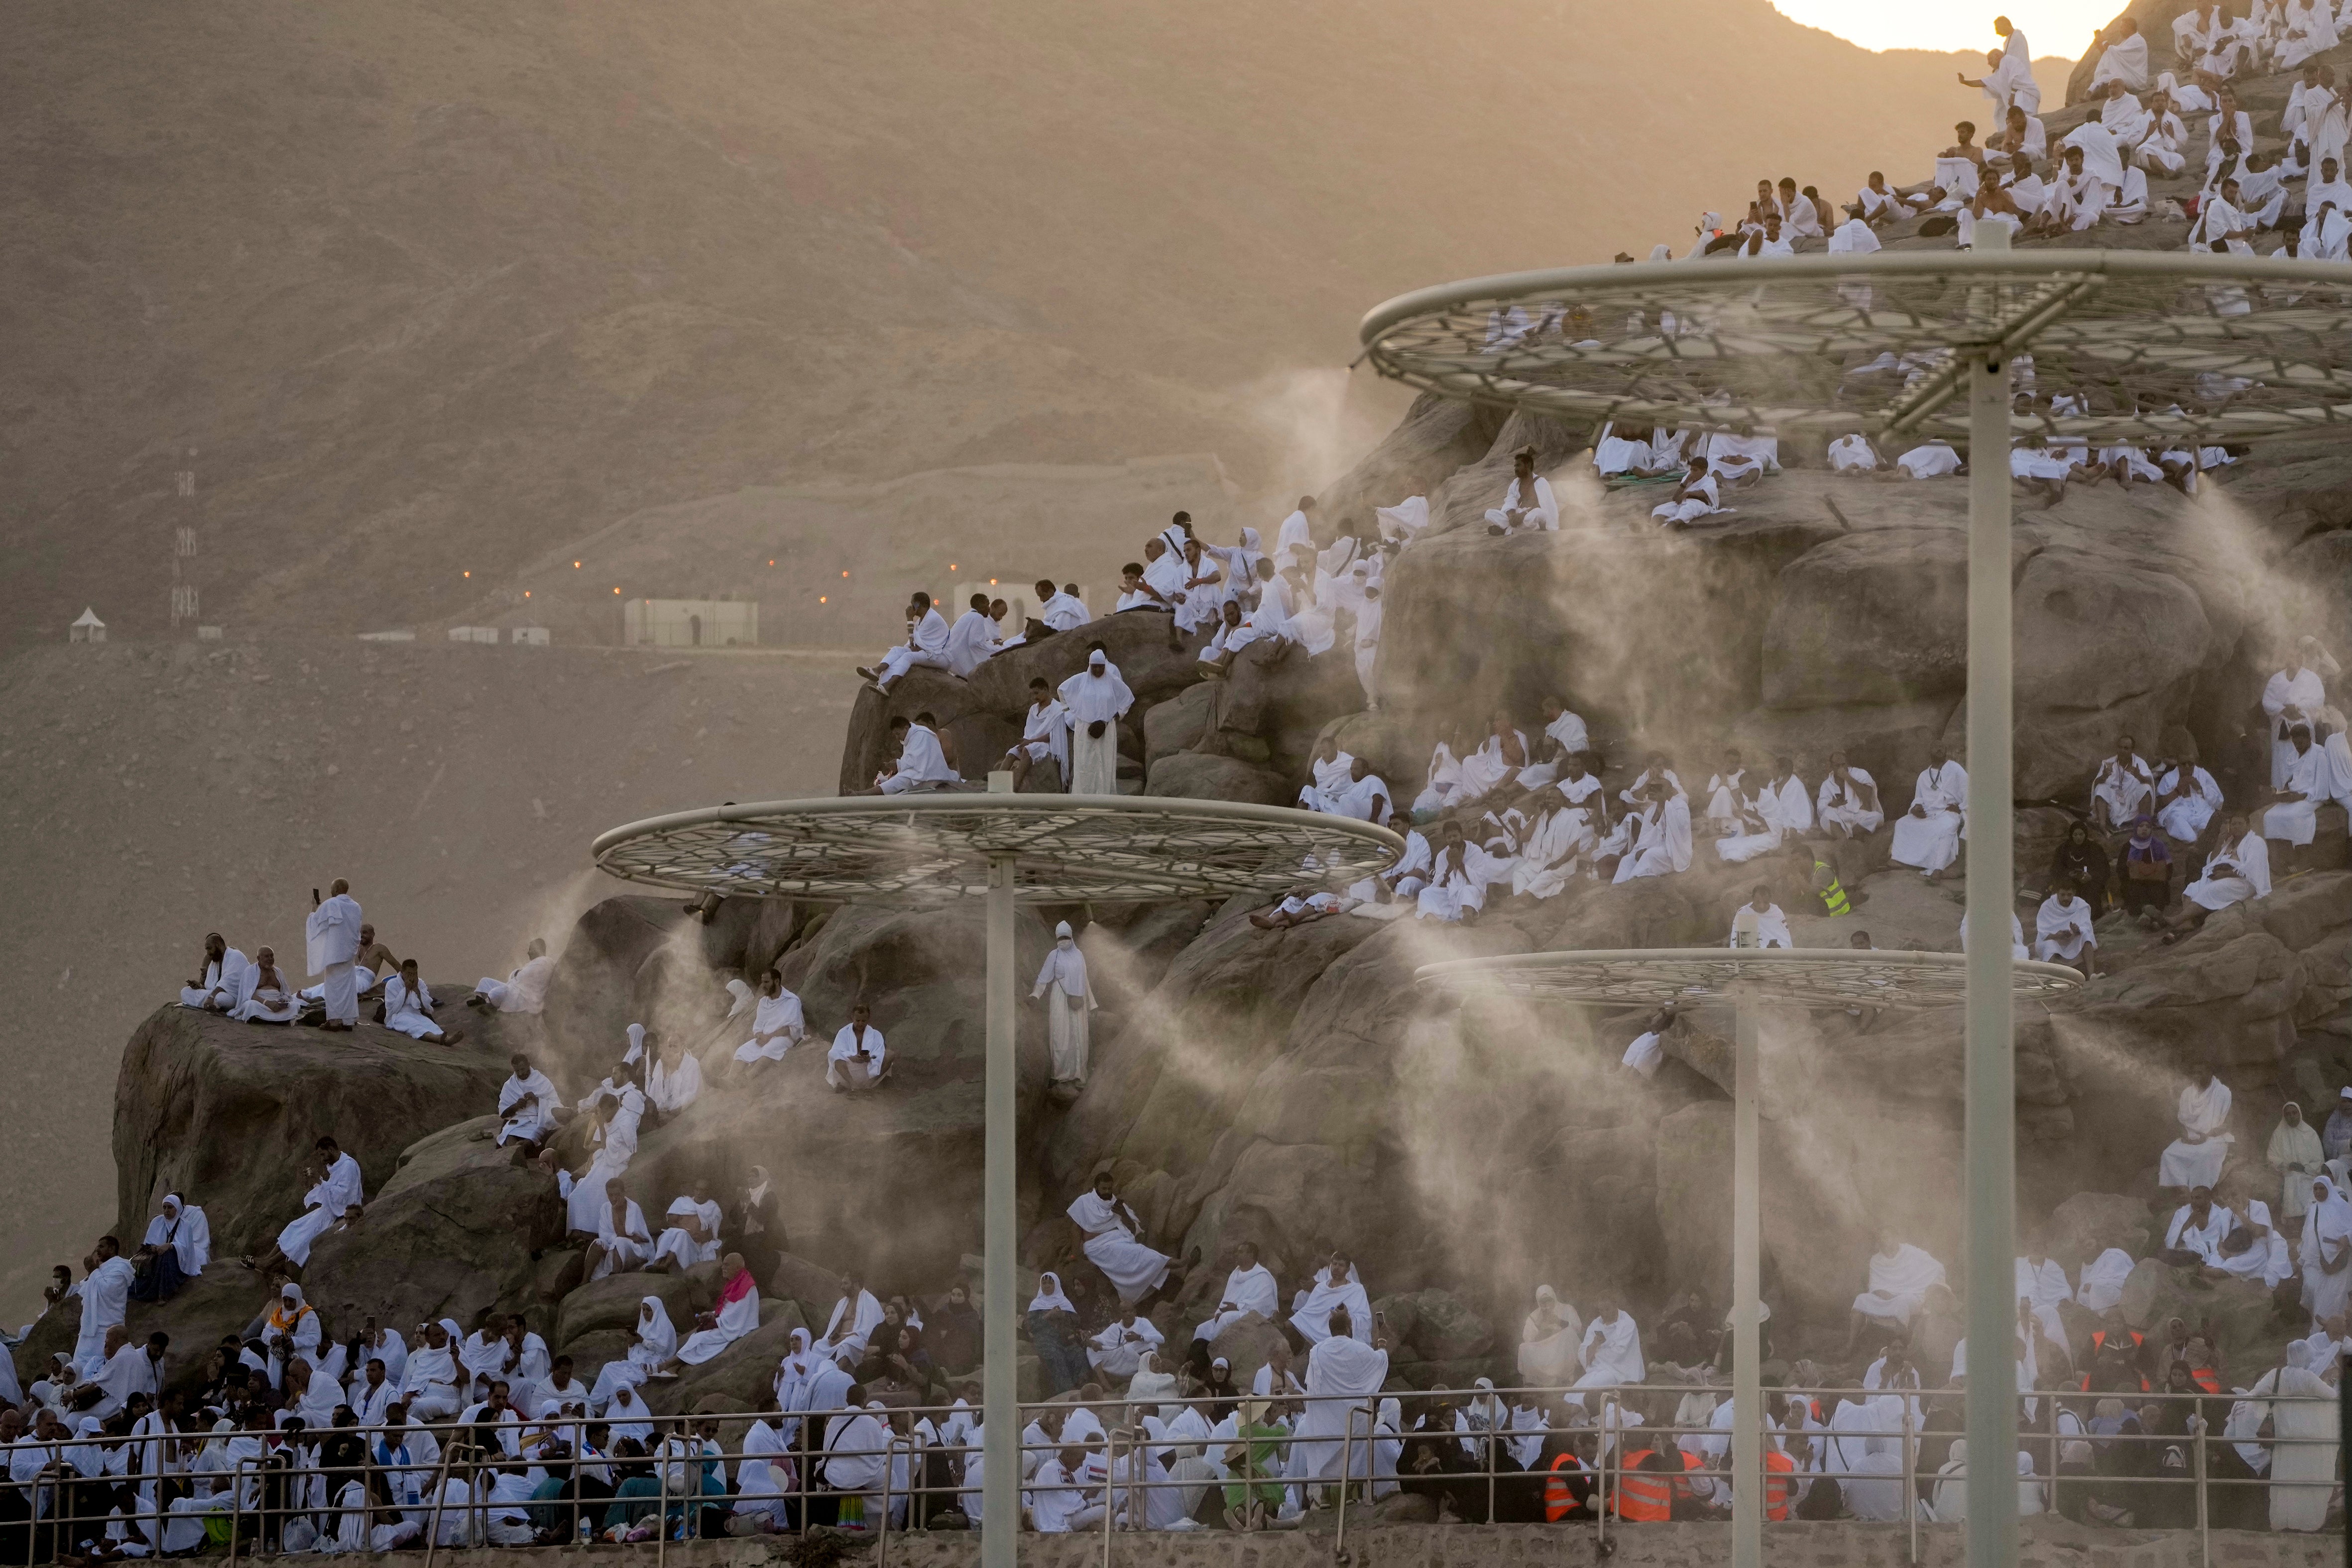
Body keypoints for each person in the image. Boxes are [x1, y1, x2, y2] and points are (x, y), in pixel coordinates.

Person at [1291, 1307, 1391, 1489]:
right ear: (1348, 1328)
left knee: (1325, 1456)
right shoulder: (1360, 1349)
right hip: (1354, 1417)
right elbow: (1381, 1362)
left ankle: (1326, 1494)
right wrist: (1382, 1342)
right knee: (1354, 1458)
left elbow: (1313, 1388)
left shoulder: (1318, 1351)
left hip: (1326, 1419)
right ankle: (1352, 1494)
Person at [1066, 1171, 1193, 1308]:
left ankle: (1174, 1267)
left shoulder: (1115, 1203)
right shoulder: (1084, 1202)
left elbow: (1132, 1229)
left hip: (1119, 1240)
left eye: (1110, 1188)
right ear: (1096, 1187)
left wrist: (1123, 1214)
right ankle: (1177, 1264)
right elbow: (1075, 1229)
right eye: (1104, 1188)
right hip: (1097, 1246)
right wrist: (1074, 1254)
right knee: (1138, 1253)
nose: (1107, 1191)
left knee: (1139, 1251)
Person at [248, 1134, 365, 1275]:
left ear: (331, 1149)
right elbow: (332, 1192)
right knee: (294, 1227)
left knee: (304, 1237)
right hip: (330, 1209)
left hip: (340, 1213)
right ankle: (265, 1259)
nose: (322, 1159)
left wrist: (320, 1182)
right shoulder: (338, 1166)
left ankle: (268, 1264)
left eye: (323, 1154)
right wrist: (316, 1181)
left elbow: (345, 1195)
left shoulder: (348, 1166)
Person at [1847, 1230, 1947, 1353]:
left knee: (1901, 1303)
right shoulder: (1876, 1260)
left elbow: (1935, 1266)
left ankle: (1899, 1348)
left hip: (1910, 1295)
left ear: (1895, 1238)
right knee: (1861, 1299)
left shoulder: (1910, 1252)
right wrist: (1883, 1293)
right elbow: (1874, 1285)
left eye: (1886, 1237)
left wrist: (1928, 1289)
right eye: (1880, 1239)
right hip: (1885, 1296)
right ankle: (1851, 1345)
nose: (1882, 1241)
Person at [1032, 920, 1099, 1088]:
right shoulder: (1054, 955)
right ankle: (1060, 1074)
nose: (1063, 941)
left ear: (1071, 937)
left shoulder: (1079, 955)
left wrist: (1092, 1003)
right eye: (1060, 938)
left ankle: (1079, 1073)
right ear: (1057, 938)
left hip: (1078, 999)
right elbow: (1044, 978)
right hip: (1060, 999)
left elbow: (1085, 979)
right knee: (1060, 1034)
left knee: (1079, 1035)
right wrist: (1035, 995)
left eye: (1066, 937)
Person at [1060, 646, 1134, 795]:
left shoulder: (1112, 681)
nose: (1098, 670)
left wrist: (1115, 715)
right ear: (1090, 666)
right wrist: (1075, 710)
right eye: (1095, 667)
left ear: (1105, 666)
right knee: (1085, 764)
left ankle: (1104, 798)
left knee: (1104, 763)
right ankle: (1083, 799)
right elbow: (1062, 690)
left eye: (1101, 667)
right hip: (1084, 729)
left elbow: (1128, 698)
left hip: (1106, 729)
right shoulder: (1081, 679)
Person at [669, 1256, 760, 1369]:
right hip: (728, 1325)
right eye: (723, 1264)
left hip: (740, 1328)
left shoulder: (747, 1286)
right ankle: (673, 1368)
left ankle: (665, 1366)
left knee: (701, 1339)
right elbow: (728, 1310)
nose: (723, 1268)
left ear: (737, 1268)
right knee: (696, 1337)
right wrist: (711, 1314)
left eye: (727, 1265)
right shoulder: (734, 1283)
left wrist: (716, 1320)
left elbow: (738, 1315)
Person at [1191, 1241, 1281, 1353]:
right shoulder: (1235, 1274)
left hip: (1251, 1316)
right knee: (1202, 1328)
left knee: (1225, 1318)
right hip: (1234, 1313)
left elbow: (1261, 1306)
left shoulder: (1263, 1277)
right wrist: (1219, 1312)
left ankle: (1212, 1352)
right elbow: (1226, 1299)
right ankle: (1195, 1358)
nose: (1236, 1255)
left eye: (1241, 1252)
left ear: (1251, 1255)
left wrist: (1238, 1307)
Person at [1890, 747, 1968, 878]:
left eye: (1942, 748)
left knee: (1947, 827)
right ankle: (1903, 861)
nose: (1939, 750)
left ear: (1946, 752)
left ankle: (1938, 868)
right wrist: (1916, 808)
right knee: (1902, 824)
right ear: (1930, 753)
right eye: (1936, 748)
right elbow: (1918, 799)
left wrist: (1961, 808)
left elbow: (1968, 789)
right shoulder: (1924, 776)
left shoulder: (1955, 769)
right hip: (1928, 813)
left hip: (1948, 813)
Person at [2262, 724, 2325, 875]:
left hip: (2313, 797)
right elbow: (2291, 779)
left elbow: (2323, 784)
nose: (2297, 746)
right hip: (2295, 796)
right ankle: (2278, 860)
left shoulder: (2319, 754)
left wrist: (2301, 796)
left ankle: (2303, 861)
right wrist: (2282, 793)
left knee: (2294, 816)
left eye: (2300, 743)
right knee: (2269, 816)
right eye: (2295, 743)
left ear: (2309, 738)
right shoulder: (2294, 755)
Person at [2159, 1067, 2234, 1191]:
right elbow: (2181, 1121)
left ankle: (2200, 1192)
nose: (2197, 1075)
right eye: (2195, 1072)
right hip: (2190, 1138)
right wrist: (2185, 1136)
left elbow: (2228, 1124)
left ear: (2210, 1072)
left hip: (2214, 1138)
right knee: (2168, 1154)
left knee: (2203, 1156)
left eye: (2201, 1071)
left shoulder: (2223, 1093)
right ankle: (2185, 1191)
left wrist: (2208, 1135)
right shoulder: (2187, 1093)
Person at [305, 879, 364, 1032]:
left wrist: (314, 907)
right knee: (348, 988)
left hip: (334, 954)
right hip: (349, 954)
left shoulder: (331, 904)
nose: (331, 891)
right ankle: (348, 1021)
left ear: (337, 889)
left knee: (333, 989)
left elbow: (315, 923)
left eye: (332, 888)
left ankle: (334, 1022)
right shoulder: (357, 907)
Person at [860, 592, 951, 691]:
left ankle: (888, 685)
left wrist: (909, 619)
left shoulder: (932, 619)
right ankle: (877, 670)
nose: (910, 607)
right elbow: (913, 644)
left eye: (913, 604)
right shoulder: (920, 621)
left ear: (920, 605)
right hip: (927, 652)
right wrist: (914, 646)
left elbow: (916, 643)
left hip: (938, 656)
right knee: (897, 650)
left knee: (908, 657)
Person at [1003, 677, 1070, 791]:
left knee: (1027, 750)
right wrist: (1026, 741)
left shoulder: (1058, 709)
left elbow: (1053, 736)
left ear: (1045, 690)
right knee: (1012, 753)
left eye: (1037, 693)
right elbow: (1029, 731)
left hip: (1048, 745)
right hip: (1032, 742)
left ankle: (1015, 786)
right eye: (1032, 694)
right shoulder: (1033, 709)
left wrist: (1030, 742)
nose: (1034, 697)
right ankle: (996, 783)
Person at [732, 969, 806, 1068]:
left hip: (784, 1038)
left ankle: (750, 1076)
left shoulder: (792, 1001)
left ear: (777, 982)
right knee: (742, 1051)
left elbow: (791, 1028)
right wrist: (760, 1036)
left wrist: (769, 1037)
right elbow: (758, 1026)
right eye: (762, 982)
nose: (763, 986)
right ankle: (732, 1077)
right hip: (764, 1038)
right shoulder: (763, 1002)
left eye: (766, 982)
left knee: (769, 1049)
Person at [583, 1179, 651, 1282]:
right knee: (598, 1243)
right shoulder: (605, 1208)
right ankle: (584, 1281)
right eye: (611, 1195)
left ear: (624, 1193)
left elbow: (639, 1238)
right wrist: (627, 1237)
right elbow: (603, 1235)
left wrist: (625, 1238)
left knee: (620, 1242)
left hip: (636, 1250)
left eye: (617, 1195)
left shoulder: (633, 1208)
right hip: (613, 1246)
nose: (614, 1198)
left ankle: (614, 1277)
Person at [380, 958, 462, 1044]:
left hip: (416, 1013)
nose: (412, 976)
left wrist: (417, 990)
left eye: (415, 973)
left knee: (429, 1024)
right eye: (409, 973)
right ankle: (437, 1038)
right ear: (402, 972)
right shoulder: (392, 984)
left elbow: (425, 1007)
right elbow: (393, 1009)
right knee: (415, 1026)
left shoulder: (420, 983)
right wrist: (406, 990)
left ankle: (447, 1039)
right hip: (398, 1016)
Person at [649, 1178, 723, 1272]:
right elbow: (671, 1222)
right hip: (673, 1237)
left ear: (708, 1192)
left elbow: (712, 1235)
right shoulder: (683, 1202)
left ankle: (663, 1265)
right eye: (697, 1189)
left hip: (695, 1246)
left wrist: (697, 1237)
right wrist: (685, 1231)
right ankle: (658, 1264)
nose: (699, 1193)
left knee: (683, 1234)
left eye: (703, 1190)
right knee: (681, 1234)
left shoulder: (713, 1208)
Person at [875, 713, 958, 793]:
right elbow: (915, 759)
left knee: (900, 781)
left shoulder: (941, 734)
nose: (920, 727)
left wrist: (927, 762)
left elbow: (948, 758)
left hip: (940, 774)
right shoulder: (914, 737)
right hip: (923, 773)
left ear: (930, 723)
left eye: (922, 725)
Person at [1483, 447, 1558, 535]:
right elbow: (1510, 503)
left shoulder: (1541, 482)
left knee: (1537, 514)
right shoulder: (1514, 485)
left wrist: (1523, 514)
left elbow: (1543, 504)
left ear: (1528, 465)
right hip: (1518, 516)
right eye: (1515, 466)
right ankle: (1513, 529)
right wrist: (1512, 517)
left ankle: (1507, 530)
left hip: (1531, 515)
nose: (1515, 469)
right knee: (1489, 514)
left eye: (1518, 465)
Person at [2271, 1102, 2325, 1224]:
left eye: (2294, 1113)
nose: (2292, 1116)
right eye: (2288, 1114)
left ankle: (2307, 1218)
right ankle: (2293, 1220)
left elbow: (2319, 1162)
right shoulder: (2279, 1134)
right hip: (2287, 1174)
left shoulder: (2310, 1134)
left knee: (2302, 1182)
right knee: (2292, 1179)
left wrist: (2305, 1168)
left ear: (2299, 1114)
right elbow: (2271, 1157)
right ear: (2284, 1116)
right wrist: (2287, 1165)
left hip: (2309, 1174)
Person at [469, 937, 553, 1013]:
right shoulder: (537, 962)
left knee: (496, 993)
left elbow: (521, 977)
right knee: (485, 981)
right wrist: (517, 974)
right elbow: (519, 976)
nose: (528, 953)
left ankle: (489, 1003)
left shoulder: (544, 963)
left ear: (536, 949)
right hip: (514, 989)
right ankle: (483, 1001)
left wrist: (517, 974)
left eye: (530, 950)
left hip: (523, 998)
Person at [2032, 883, 2098, 976]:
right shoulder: (2047, 906)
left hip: (2072, 939)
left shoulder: (2080, 904)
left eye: (2069, 895)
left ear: (2074, 893)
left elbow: (2086, 927)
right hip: (2054, 940)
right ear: (2057, 894)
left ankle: (2092, 975)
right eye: (2063, 895)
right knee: (2050, 945)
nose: (2066, 898)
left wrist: (2077, 930)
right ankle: (2050, 978)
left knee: (2086, 936)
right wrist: (2057, 936)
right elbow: (2043, 934)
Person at [498, 1053, 560, 1149]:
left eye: (522, 1069)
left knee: (538, 1134)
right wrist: (516, 1106)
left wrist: (536, 1100)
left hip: (538, 1120)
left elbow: (556, 1106)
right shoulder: (510, 1085)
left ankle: (522, 1147)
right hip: (519, 1121)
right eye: (517, 1071)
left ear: (528, 1065)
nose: (520, 1074)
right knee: (507, 1134)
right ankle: (516, 1149)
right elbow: (503, 1114)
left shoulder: (542, 1081)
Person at [226, 945, 300, 1023]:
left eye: (272, 956)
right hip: (260, 1003)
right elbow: (248, 994)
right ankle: (273, 1019)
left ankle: (270, 1019)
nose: (270, 959)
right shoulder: (250, 971)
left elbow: (286, 992)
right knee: (250, 1005)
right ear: (259, 958)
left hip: (277, 1003)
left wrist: (283, 999)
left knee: (295, 1006)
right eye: (267, 956)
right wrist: (266, 1002)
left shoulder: (278, 972)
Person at [825, 1002, 889, 1091]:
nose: (860, 1024)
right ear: (853, 1018)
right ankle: (853, 1085)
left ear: (868, 1019)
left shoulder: (876, 1034)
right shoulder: (843, 1032)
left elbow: (879, 1052)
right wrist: (851, 1057)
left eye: (864, 1021)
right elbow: (836, 1051)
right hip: (849, 1070)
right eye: (858, 1021)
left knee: (890, 1055)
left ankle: (869, 1084)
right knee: (833, 1055)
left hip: (868, 1070)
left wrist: (870, 1058)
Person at [1816, 753, 1882, 837]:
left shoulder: (1861, 774)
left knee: (1878, 817)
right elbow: (1821, 809)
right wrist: (1833, 804)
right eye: (1837, 766)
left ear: (1847, 764)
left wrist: (1847, 778)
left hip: (1859, 816)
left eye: (1843, 765)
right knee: (1827, 815)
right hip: (1839, 818)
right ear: (1832, 767)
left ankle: (1843, 837)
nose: (1841, 768)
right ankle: (1851, 836)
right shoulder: (1827, 784)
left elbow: (1867, 796)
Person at [180, 932, 248, 1010]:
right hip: (214, 995)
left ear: (218, 945)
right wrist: (200, 987)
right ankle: (213, 1006)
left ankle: (212, 1004)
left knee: (220, 998)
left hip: (233, 997)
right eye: (207, 950)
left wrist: (211, 997)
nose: (208, 953)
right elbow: (211, 987)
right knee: (185, 992)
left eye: (209, 949)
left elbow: (227, 984)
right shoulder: (215, 962)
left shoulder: (236, 956)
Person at [645, 1033, 702, 1115]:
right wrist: (665, 1072)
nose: (671, 1050)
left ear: (683, 1047)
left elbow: (690, 1093)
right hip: (662, 1107)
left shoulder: (692, 1063)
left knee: (689, 1097)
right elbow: (655, 1090)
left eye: (675, 1046)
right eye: (670, 1046)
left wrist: (674, 1070)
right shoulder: (661, 1062)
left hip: (683, 1108)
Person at [1728, 886, 1792, 949]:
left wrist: (1777, 948)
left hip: (1776, 953)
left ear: (1770, 900)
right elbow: (1746, 947)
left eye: (1766, 902)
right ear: (1753, 899)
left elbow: (1786, 942)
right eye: (1758, 902)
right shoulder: (1745, 913)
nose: (1762, 906)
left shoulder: (1777, 912)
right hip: (1754, 954)